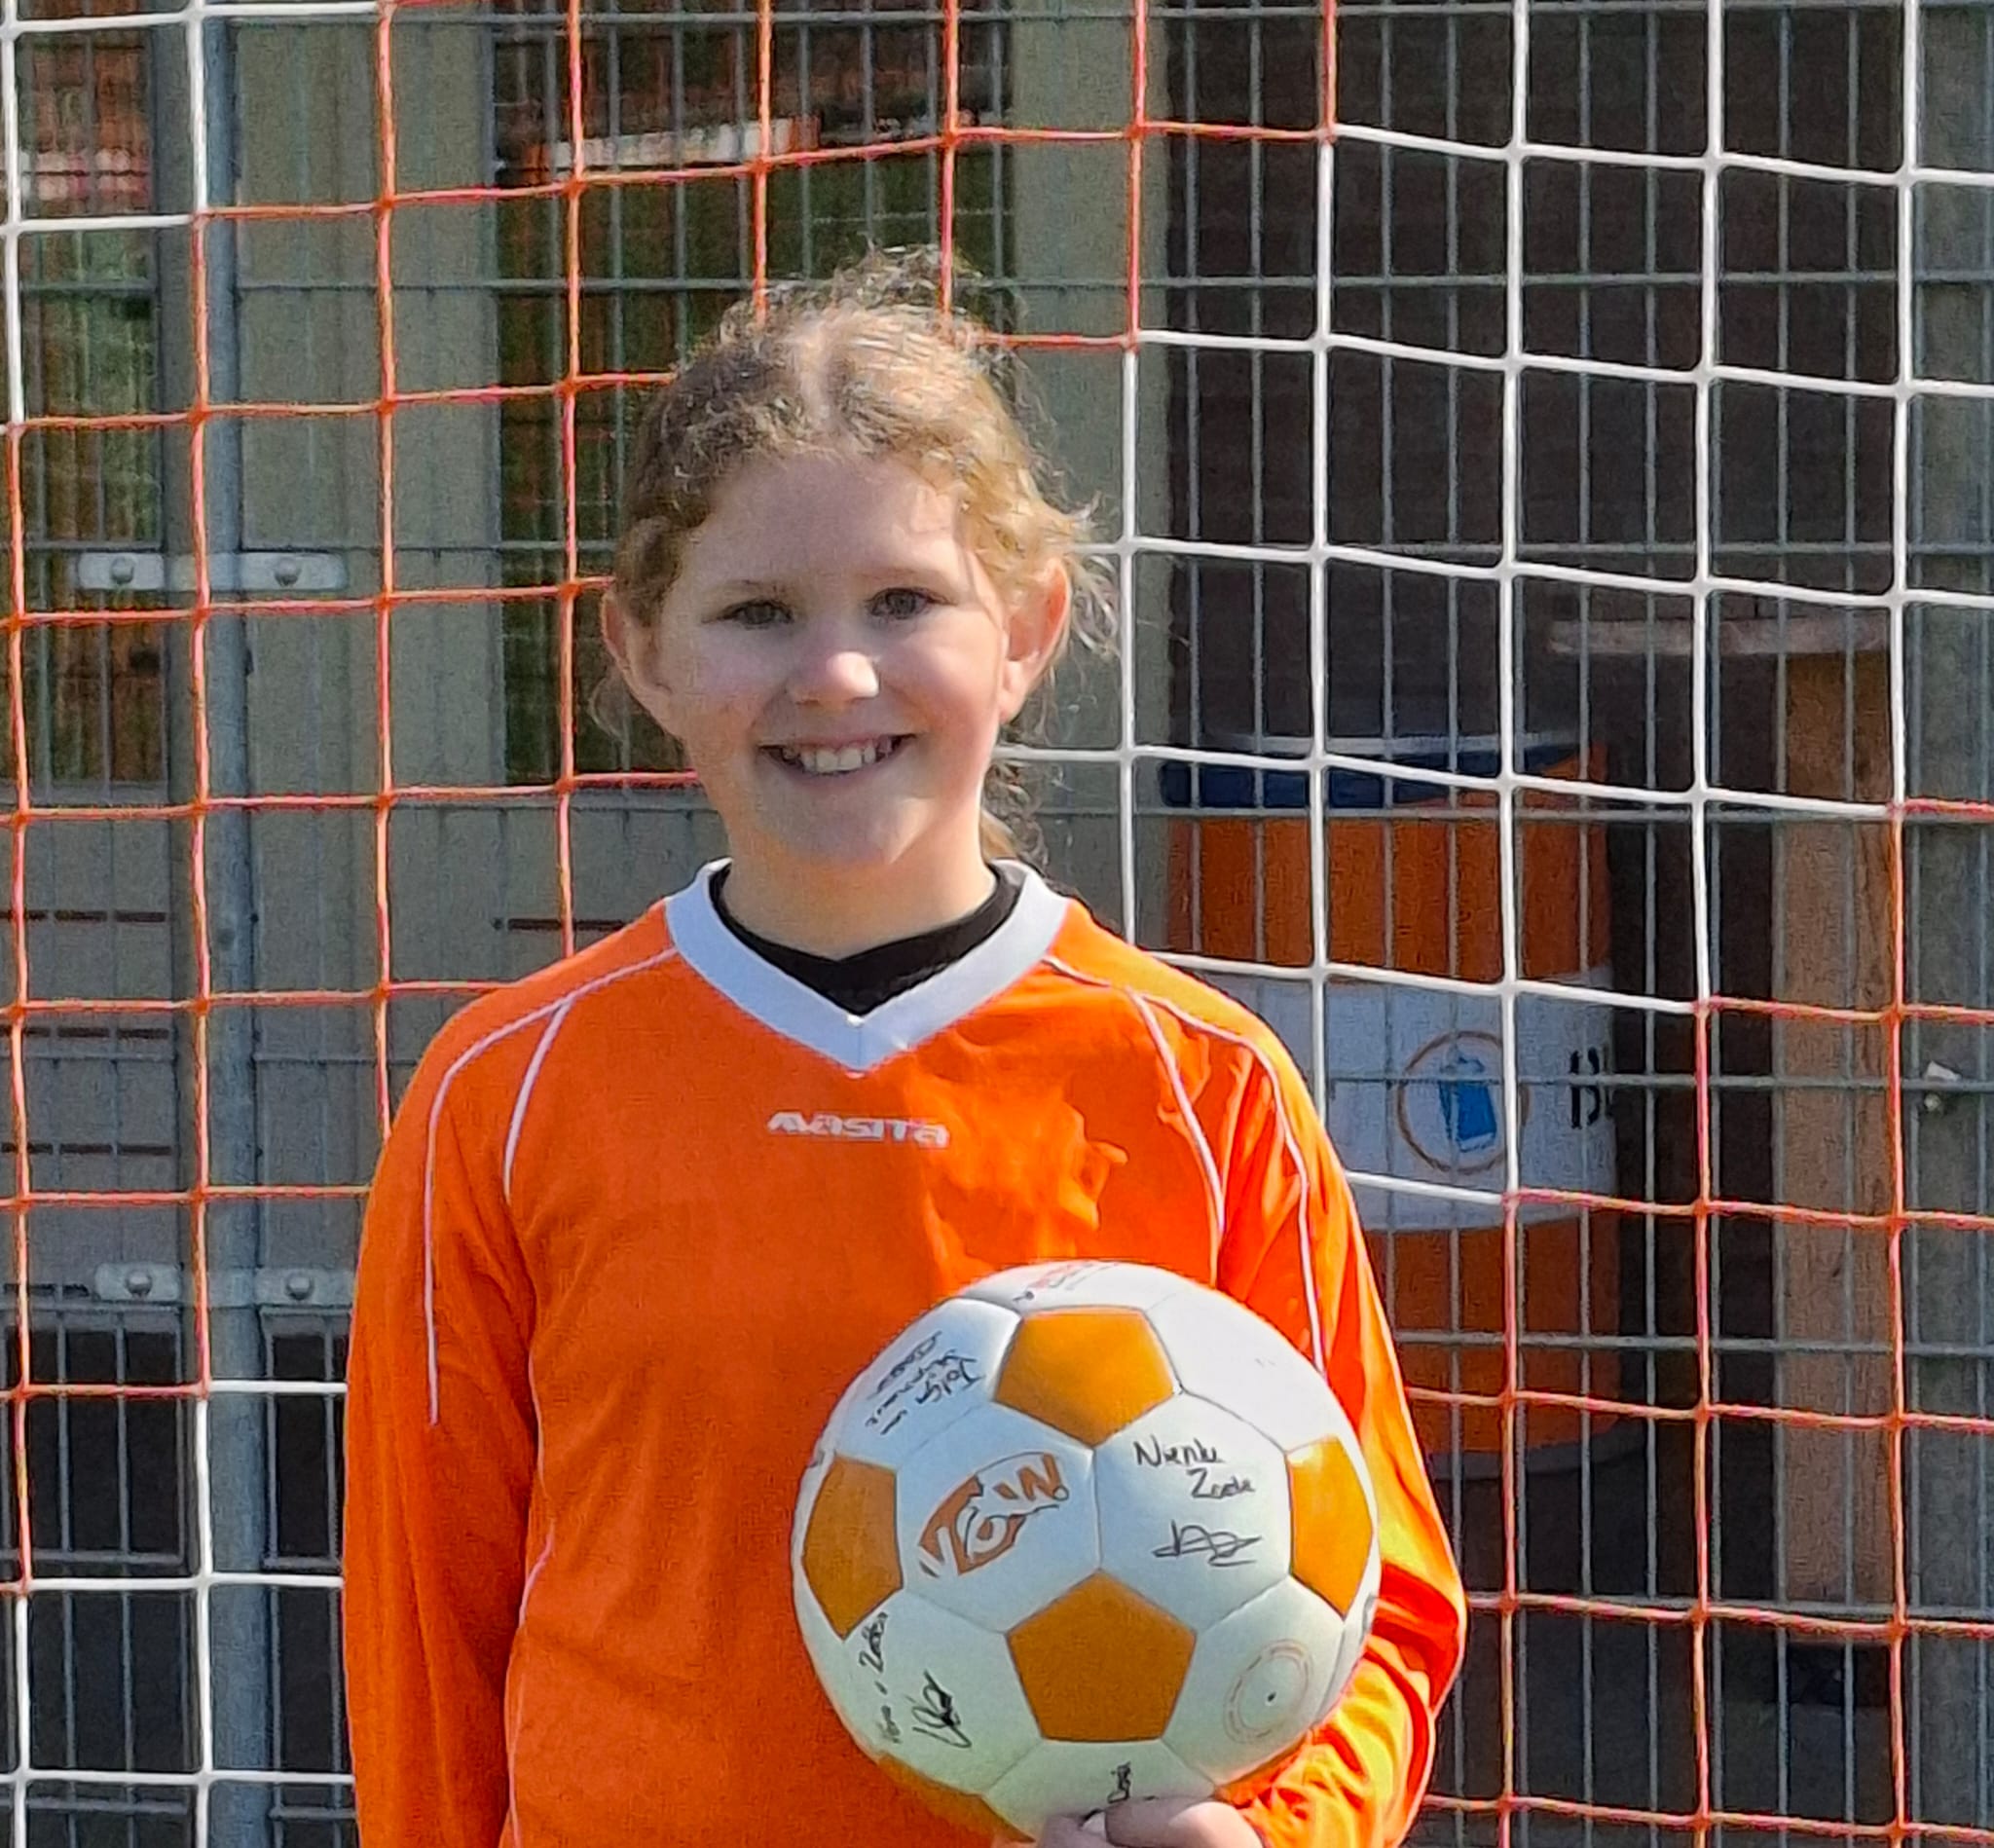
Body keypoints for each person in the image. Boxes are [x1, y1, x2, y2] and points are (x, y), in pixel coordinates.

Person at [342, 246, 1467, 1848]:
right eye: (758, 612)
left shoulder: (1199, 1083)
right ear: (645, 652)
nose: (836, 675)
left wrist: (1281, 1830)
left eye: (904, 602)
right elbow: (422, 1626)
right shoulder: (508, 1091)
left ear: (1027, 626)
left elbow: (1380, 1598)